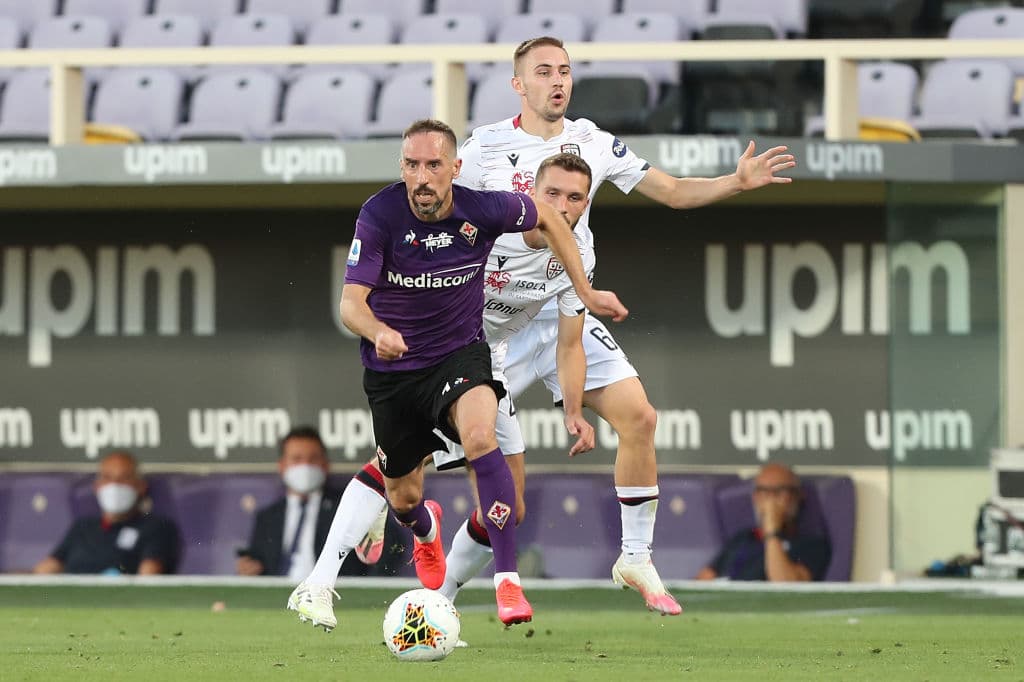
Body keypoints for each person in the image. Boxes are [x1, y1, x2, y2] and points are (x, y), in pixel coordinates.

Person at [430, 35, 797, 615]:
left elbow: (672, 191)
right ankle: (439, 593)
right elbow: (439, 221)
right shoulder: (482, 151)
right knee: (502, 500)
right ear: (517, 84)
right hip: (491, 326)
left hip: (561, 310)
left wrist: (733, 181)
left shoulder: (594, 142)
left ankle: (634, 555)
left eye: (566, 71)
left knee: (640, 417)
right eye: (544, 71)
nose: (558, 81)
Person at [287, 119, 628, 631]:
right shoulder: (379, 214)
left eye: (433, 165)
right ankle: (423, 531)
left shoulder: (484, 208)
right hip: (395, 367)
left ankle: (506, 583)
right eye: (411, 165)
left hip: (462, 355)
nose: (421, 177)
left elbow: (551, 223)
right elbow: (350, 305)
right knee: (403, 494)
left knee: (479, 437)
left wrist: (586, 290)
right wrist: (378, 329)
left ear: (455, 168)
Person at [237, 426, 399, 579]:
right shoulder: (267, 518)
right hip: (279, 602)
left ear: (325, 464)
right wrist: (249, 568)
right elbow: (257, 566)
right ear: (282, 465)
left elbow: (389, 546)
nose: (305, 466)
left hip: (333, 598)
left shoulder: (349, 506)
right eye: (297, 459)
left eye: (313, 459)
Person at [34, 450, 179, 575]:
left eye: (124, 478)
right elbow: (44, 571)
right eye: (108, 478)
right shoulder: (82, 526)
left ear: (140, 486)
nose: (115, 485)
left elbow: (149, 579)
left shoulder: (156, 527)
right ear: (97, 486)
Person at [696, 463, 832, 582]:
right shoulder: (744, 538)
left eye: (779, 492)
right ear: (755, 497)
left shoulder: (812, 545)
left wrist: (772, 532)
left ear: (797, 495)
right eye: (763, 492)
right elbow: (703, 580)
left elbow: (786, 587)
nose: (770, 500)